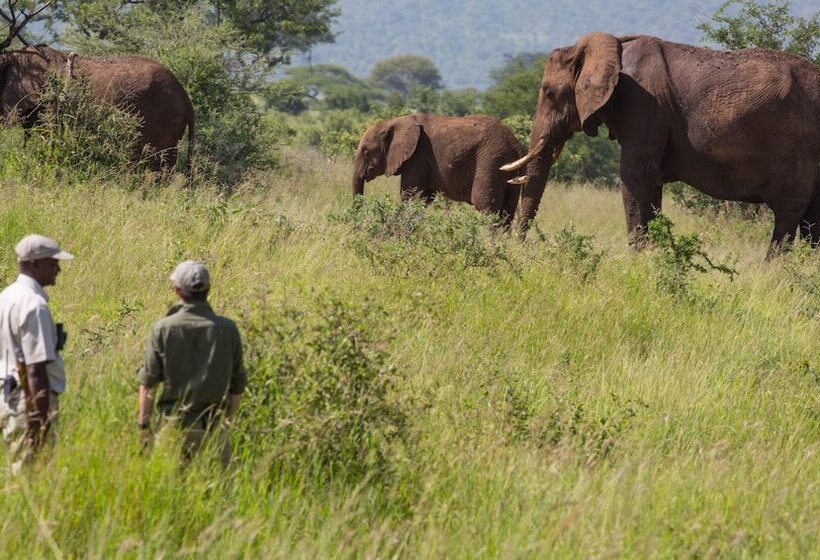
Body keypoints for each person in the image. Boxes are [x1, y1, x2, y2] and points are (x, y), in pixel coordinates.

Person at [137, 260, 246, 466]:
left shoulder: (162, 329)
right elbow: (237, 386)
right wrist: (225, 422)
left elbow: (148, 385)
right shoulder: (228, 329)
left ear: (177, 291)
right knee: (217, 495)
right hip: (212, 431)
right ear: (208, 289)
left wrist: (144, 429)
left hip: (173, 430)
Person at [0, 234, 73, 473]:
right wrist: (39, 424)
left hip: (7, 398)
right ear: (34, 264)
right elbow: (35, 369)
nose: (59, 269)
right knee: (32, 474)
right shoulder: (34, 306)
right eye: (53, 263)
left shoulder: (5, 297)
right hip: (26, 402)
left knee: (18, 471)